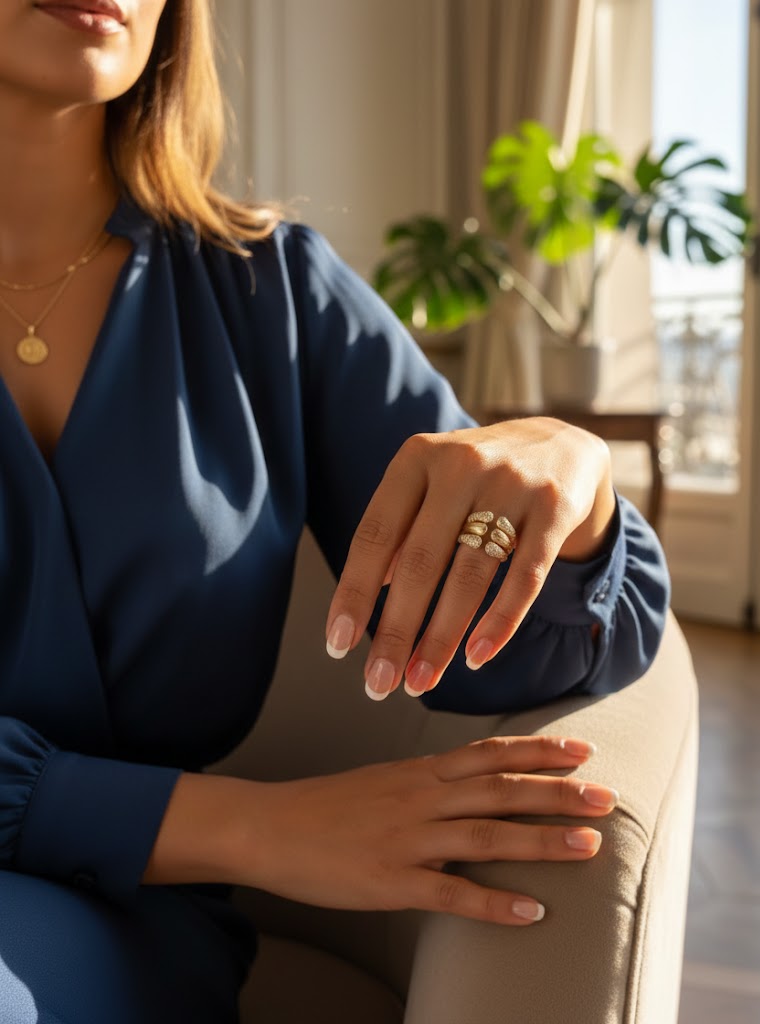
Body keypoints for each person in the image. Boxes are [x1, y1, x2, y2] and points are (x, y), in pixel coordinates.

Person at [0, 1, 670, 1021]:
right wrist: (244, 826)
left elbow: (526, 652)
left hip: (126, 932)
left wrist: (566, 479)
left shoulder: (270, 295)